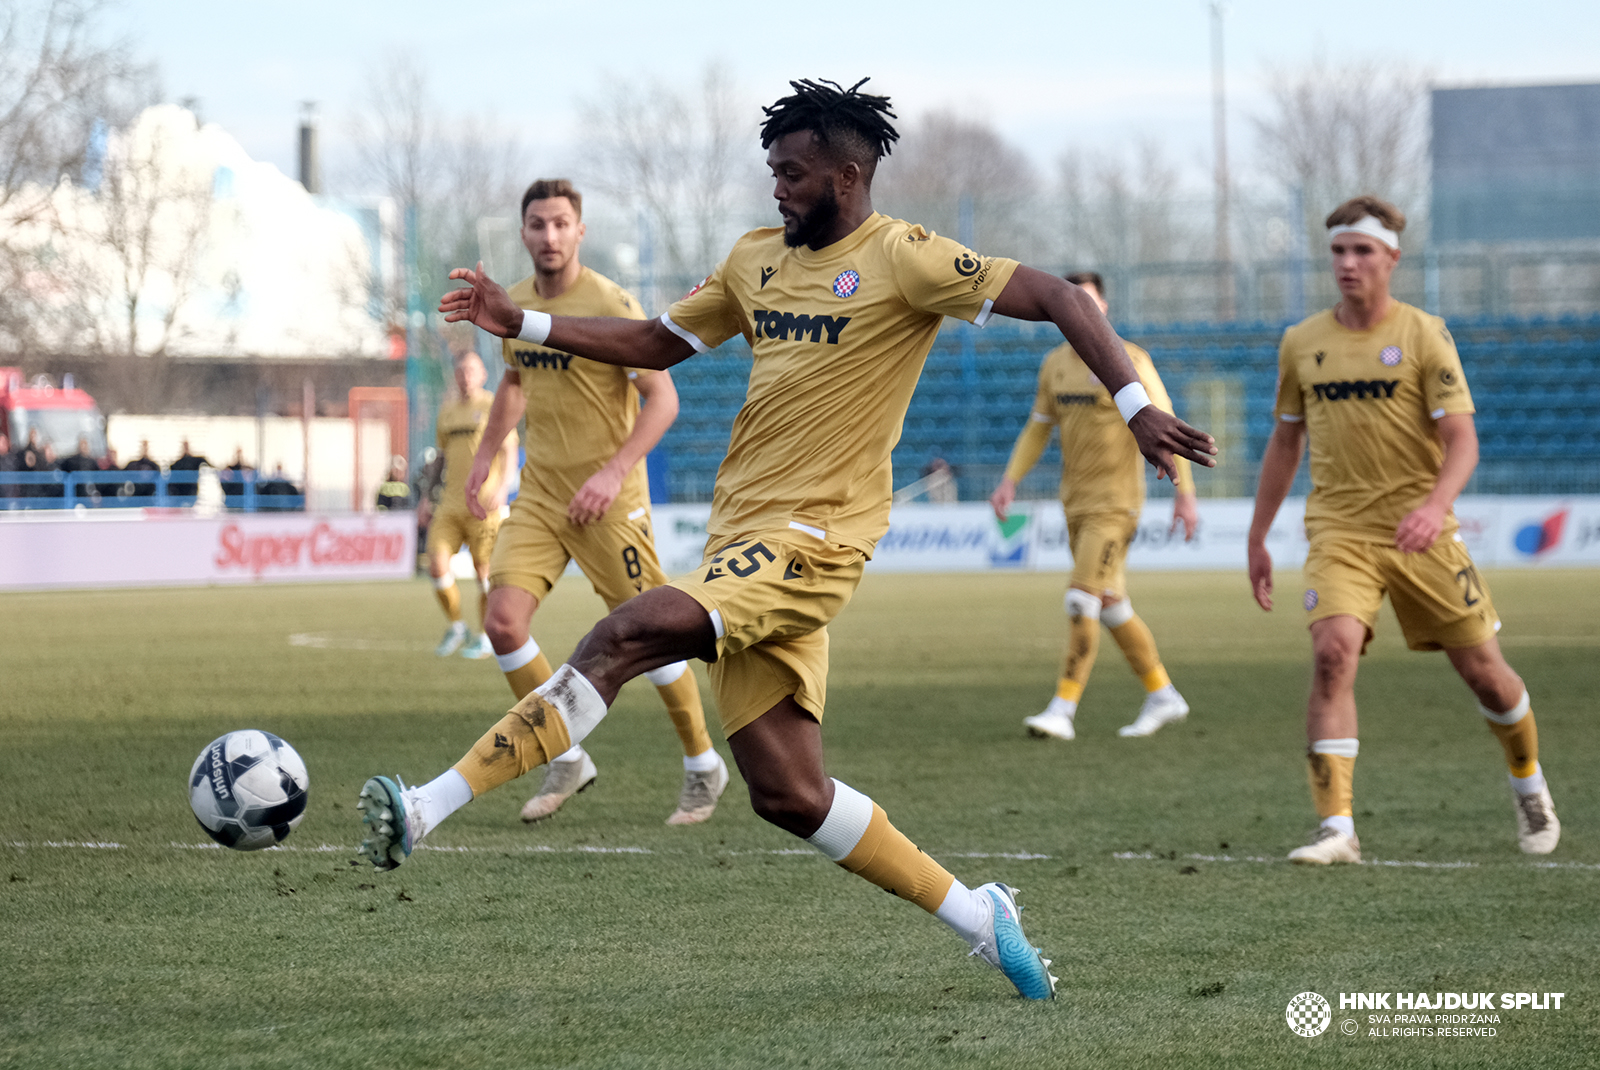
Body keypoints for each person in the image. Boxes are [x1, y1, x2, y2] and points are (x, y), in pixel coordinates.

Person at [363, 79, 1213, 1001]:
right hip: (744, 542)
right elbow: (654, 343)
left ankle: (423, 807)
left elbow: (1055, 296)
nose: (777, 187)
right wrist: (518, 320)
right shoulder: (753, 260)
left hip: (818, 541)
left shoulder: (907, 259)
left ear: (848, 176)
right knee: (789, 794)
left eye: (793, 173)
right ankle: (981, 913)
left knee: (623, 636)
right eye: (772, 170)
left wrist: (1136, 408)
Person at [1248, 195, 1559, 865]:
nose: (1347, 263)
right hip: (1339, 532)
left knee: (1487, 678)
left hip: (1424, 535)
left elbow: (1462, 440)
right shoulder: (1302, 342)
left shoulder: (1424, 334)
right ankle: (1336, 830)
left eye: (1362, 251)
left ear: (1392, 257)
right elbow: (1284, 444)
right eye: (1337, 251)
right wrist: (1257, 535)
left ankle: (1528, 783)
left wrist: (1433, 504)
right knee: (1333, 655)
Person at [460, 178, 724, 826]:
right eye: (537, 225)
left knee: (651, 637)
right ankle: (568, 754)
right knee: (502, 624)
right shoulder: (513, 305)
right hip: (544, 492)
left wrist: (613, 472)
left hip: (609, 501)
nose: (548, 236)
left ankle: (702, 766)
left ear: (580, 232)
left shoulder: (609, 301)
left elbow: (663, 398)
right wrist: (486, 456)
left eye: (560, 224)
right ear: (522, 233)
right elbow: (516, 382)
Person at [989, 272, 1199, 741]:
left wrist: (1184, 494)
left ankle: (1062, 709)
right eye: (1070, 301)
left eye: (1088, 301)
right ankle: (1163, 695)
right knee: (1110, 605)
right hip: (1075, 504)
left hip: (1116, 505)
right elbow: (1038, 427)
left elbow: (1165, 429)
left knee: (1080, 598)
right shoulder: (1054, 366)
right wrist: (1009, 481)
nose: (1079, 309)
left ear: (1103, 308)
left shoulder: (1131, 361)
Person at [421, 352, 516, 660]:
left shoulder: (492, 405)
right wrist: (425, 496)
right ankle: (457, 626)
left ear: (483, 374)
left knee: (484, 574)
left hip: (484, 503)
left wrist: (503, 488)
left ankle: (487, 636)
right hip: (449, 503)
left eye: (471, 370)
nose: (465, 376)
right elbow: (441, 458)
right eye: (460, 371)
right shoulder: (447, 412)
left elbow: (510, 448)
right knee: (435, 565)